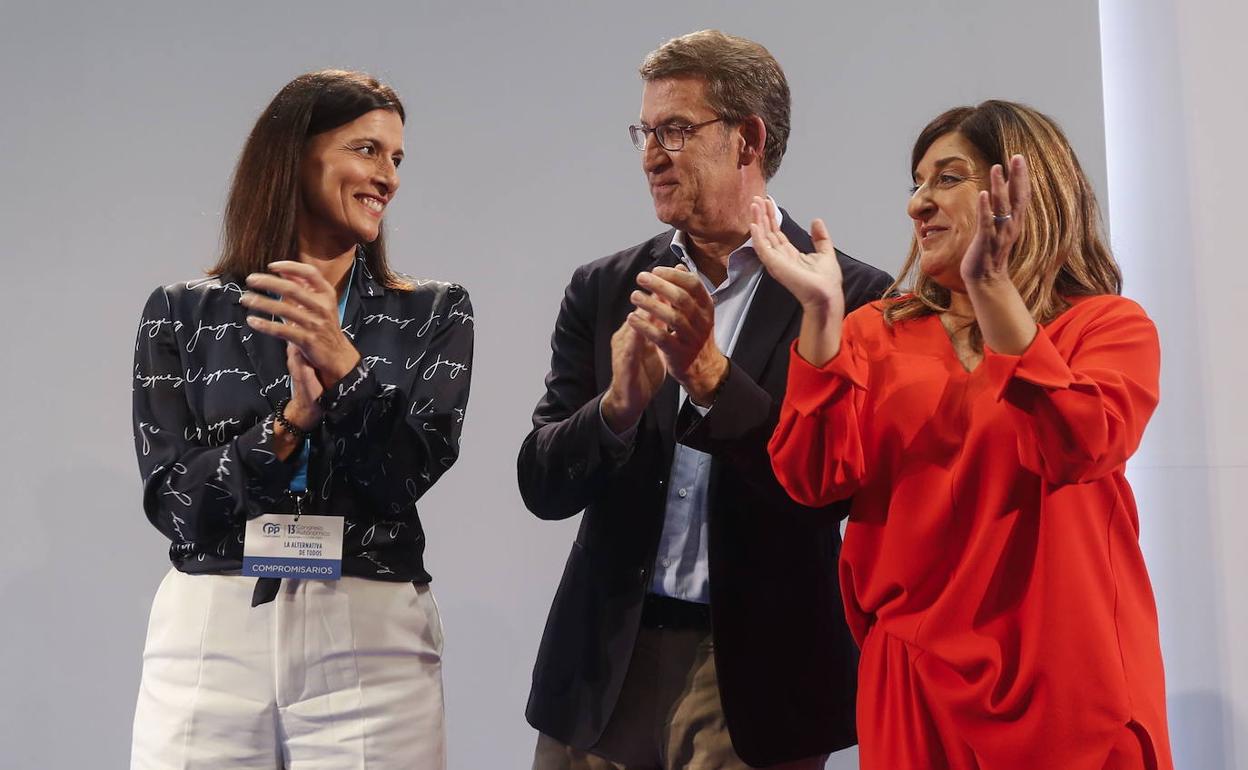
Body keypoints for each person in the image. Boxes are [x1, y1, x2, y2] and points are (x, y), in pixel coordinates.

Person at [759, 100, 1173, 770]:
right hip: (913, 687)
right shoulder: (874, 332)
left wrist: (991, 286)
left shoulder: (1106, 328)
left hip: (1065, 680)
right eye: (916, 183)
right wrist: (822, 316)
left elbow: (1080, 445)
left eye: (947, 178)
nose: (917, 204)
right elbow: (810, 478)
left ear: (1020, 187)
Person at [518, 30, 892, 769]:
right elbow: (542, 484)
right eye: (646, 133)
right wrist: (615, 410)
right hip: (602, 668)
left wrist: (715, 381)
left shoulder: (852, 299)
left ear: (748, 140)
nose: (653, 154)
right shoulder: (605, 289)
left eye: (677, 131)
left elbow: (829, 497)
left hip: (755, 679)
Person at [129, 69, 472, 769]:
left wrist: (345, 366)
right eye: (366, 150)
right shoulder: (181, 312)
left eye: (397, 159)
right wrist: (288, 423)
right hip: (211, 629)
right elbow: (176, 503)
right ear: (295, 155)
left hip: (370, 627)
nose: (389, 178)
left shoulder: (434, 312)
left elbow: (406, 474)